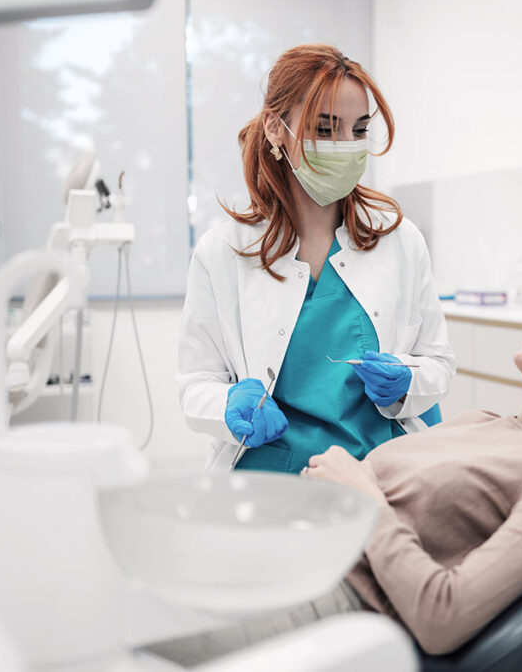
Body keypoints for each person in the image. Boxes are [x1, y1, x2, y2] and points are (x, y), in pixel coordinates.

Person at [150, 273, 522, 664]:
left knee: (101, 631)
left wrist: (362, 495)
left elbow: (444, 618)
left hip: (331, 603)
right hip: (283, 557)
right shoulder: (481, 422)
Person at [178, 44, 455, 474]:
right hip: (272, 470)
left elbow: (438, 364)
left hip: (381, 468)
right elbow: (196, 385)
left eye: (358, 130)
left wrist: (406, 385)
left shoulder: (400, 240)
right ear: (275, 128)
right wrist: (228, 405)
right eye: (325, 130)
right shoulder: (223, 252)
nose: (346, 147)